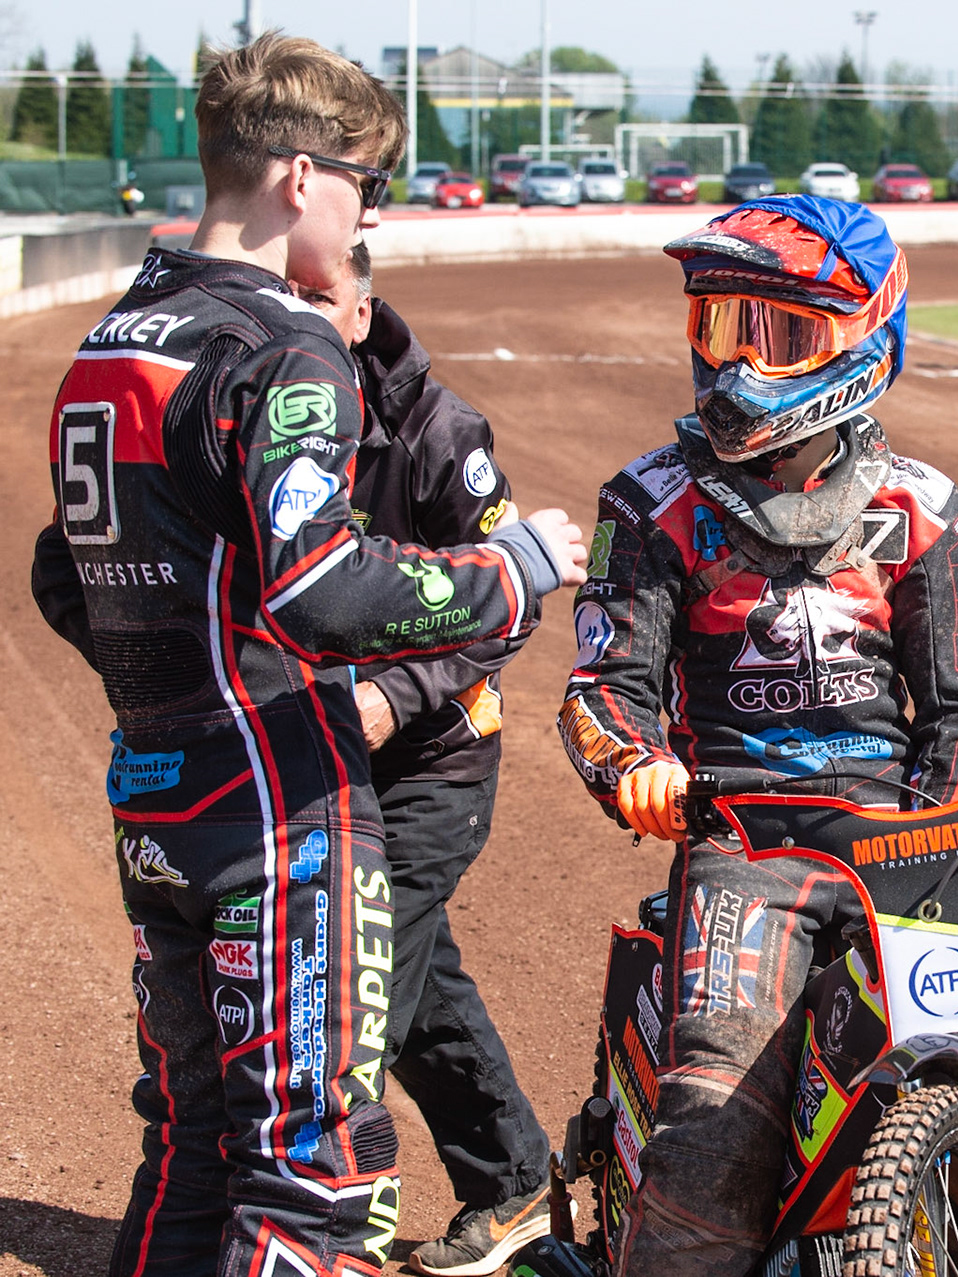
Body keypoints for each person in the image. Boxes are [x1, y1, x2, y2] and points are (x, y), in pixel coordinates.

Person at [27, 34, 587, 1277]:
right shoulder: (285, 346)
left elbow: (63, 580)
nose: (369, 211)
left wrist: (172, 670)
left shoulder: (119, 335)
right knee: (312, 1176)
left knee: (189, 1148)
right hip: (278, 810)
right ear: (298, 178)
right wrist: (515, 571)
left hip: (158, 793)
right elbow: (323, 591)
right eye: (366, 185)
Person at [556, 193, 958, 1276]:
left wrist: (946, 837)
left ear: (866, 341)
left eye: (781, 335)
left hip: (897, 847)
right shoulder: (653, 503)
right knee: (714, 1133)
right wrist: (639, 767)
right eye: (719, 329)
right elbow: (602, 685)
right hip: (743, 847)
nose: (739, 366)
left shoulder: (925, 512)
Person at [292, 242, 557, 1276]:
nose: (305, 314)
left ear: (360, 311)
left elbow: (513, 599)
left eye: (324, 297)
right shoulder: (259, 407)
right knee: (413, 971)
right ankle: (516, 1183)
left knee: (358, 983)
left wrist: (392, 694)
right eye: (293, 294)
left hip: (439, 755)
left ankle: (314, 1215)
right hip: (310, 753)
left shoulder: (439, 432)